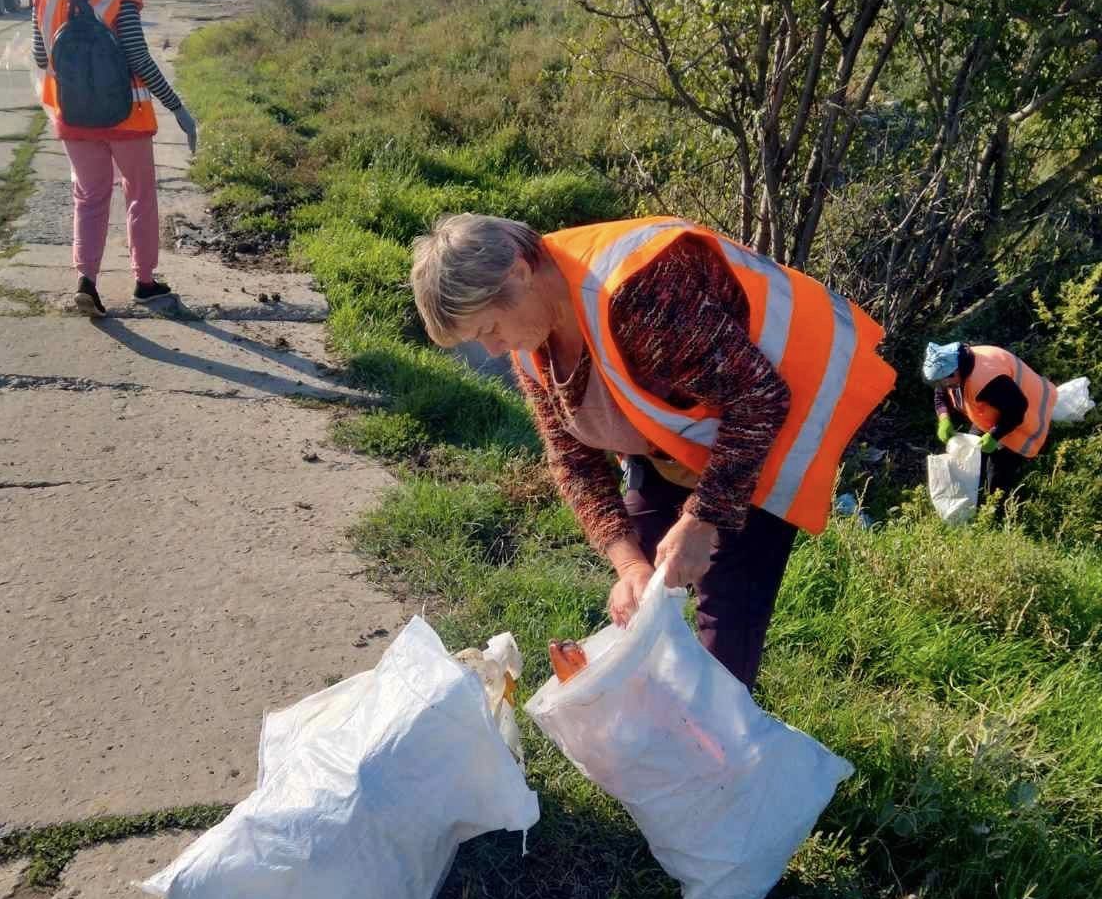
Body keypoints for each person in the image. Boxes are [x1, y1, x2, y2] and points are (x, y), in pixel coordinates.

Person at [411, 215, 896, 689]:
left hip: (771, 425)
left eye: (489, 329)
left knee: (724, 628)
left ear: (518, 272)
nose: (494, 351)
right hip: (673, 443)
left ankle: (717, 753)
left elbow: (759, 399)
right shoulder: (531, 341)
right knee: (638, 606)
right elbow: (573, 460)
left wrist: (703, 518)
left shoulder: (636, 295)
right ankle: (654, 741)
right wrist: (629, 564)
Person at [31, 0, 198, 318]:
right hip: (127, 116)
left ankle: (86, 282)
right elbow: (139, 58)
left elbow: (39, 56)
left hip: (72, 115)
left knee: (89, 197)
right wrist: (177, 107)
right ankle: (144, 282)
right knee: (139, 196)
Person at [922, 340, 1057, 498]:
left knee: (998, 477)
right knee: (971, 456)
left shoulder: (989, 381)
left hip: (1027, 412)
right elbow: (940, 395)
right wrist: (944, 419)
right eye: (938, 382)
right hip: (996, 410)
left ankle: (1000, 508)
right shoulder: (949, 369)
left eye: (944, 381)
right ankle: (977, 494)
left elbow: (1017, 409)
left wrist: (995, 436)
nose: (942, 385)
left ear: (956, 370)